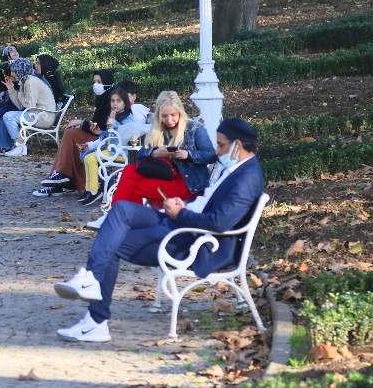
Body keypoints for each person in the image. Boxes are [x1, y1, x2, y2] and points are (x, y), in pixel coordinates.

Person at [51, 118, 264, 343]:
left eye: (220, 145)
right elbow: (209, 204)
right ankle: (91, 281)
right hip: (183, 223)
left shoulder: (246, 179)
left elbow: (218, 223)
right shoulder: (237, 169)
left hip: (191, 242)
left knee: (111, 242)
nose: (217, 151)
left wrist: (180, 214)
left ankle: (95, 319)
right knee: (122, 210)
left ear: (237, 145)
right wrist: (182, 206)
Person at [110, 90, 216, 211]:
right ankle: (123, 214)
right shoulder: (158, 129)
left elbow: (211, 155)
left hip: (188, 183)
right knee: (129, 170)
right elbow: (140, 153)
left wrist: (188, 154)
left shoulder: (194, 128)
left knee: (133, 186)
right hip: (165, 175)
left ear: (180, 112)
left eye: (173, 115)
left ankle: (121, 215)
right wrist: (155, 152)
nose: (169, 120)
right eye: (164, 116)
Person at [34, 69, 116, 197]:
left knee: (71, 134)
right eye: (94, 81)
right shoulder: (103, 98)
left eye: (99, 81)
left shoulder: (113, 98)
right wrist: (83, 124)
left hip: (107, 139)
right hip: (100, 135)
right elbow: (97, 123)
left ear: (108, 82)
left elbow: (102, 126)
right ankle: (59, 177)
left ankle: (60, 176)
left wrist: (82, 122)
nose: (96, 85)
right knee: (70, 132)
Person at [77, 87, 136, 206]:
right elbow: (110, 135)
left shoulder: (128, 117)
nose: (114, 104)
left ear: (124, 102)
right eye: (112, 101)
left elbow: (122, 134)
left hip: (121, 152)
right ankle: (90, 189)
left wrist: (112, 121)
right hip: (110, 149)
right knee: (86, 156)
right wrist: (100, 133)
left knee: (92, 158)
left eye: (118, 101)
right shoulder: (113, 115)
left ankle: (95, 191)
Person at [0, 58, 57, 157]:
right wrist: (12, 90)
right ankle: (20, 146)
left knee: (8, 116)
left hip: (43, 117)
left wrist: (21, 93)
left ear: (20, 69)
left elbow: (29, 106)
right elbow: (21, 106)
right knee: (8, 116)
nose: (12, 74)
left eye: (14, 70)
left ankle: (20, 146)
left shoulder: (31, 82)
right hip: (37, 114)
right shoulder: (27, 80)